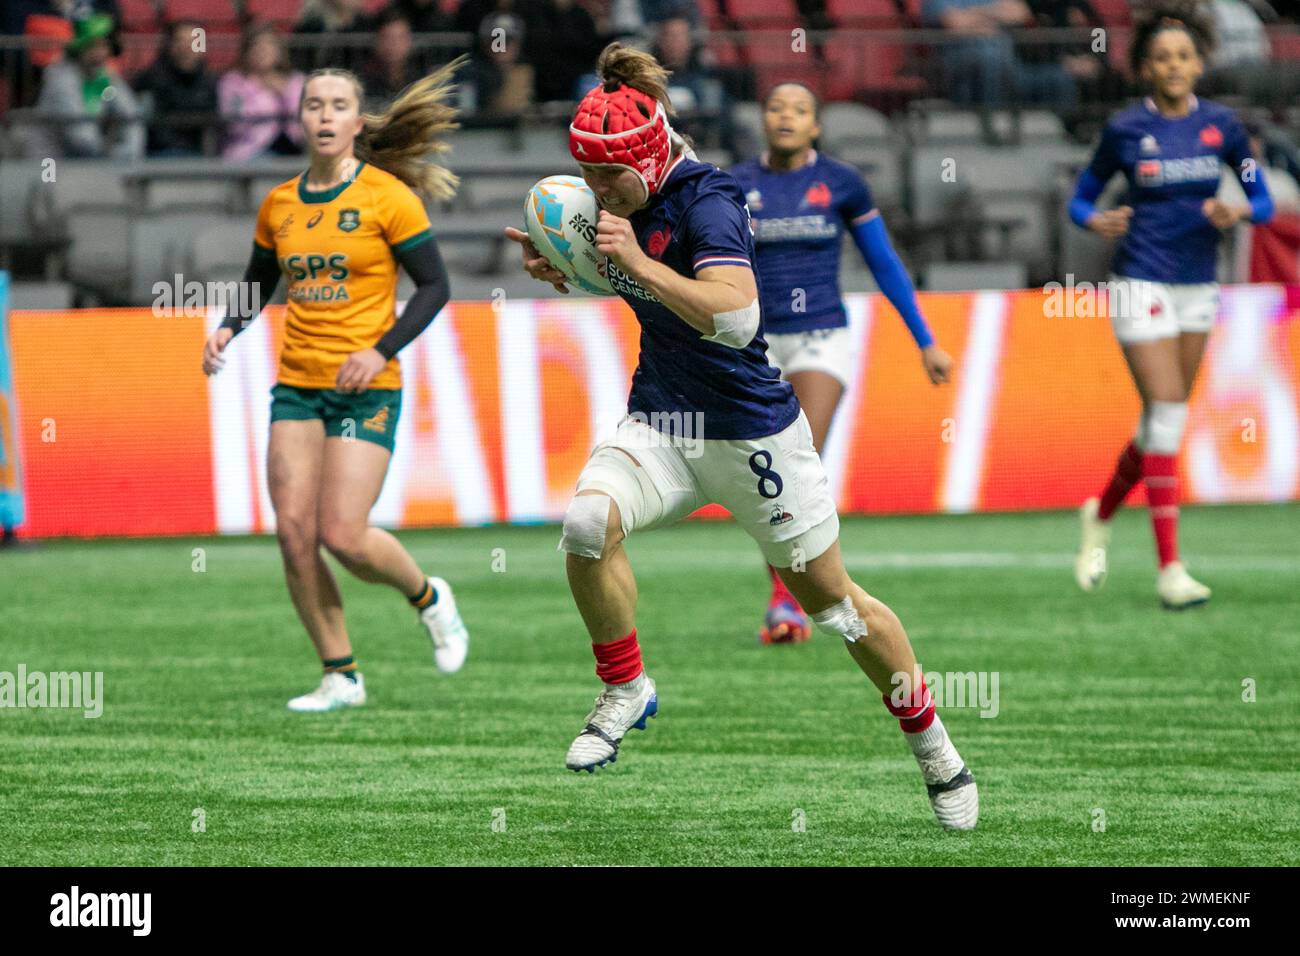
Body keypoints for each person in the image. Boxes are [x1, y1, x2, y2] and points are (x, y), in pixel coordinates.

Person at [503, 43, 979, 829]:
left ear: (649, 157)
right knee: (587, 524)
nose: (595, 192)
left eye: (605, 177)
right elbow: (623, 269)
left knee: (838, 610)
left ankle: (936, 748)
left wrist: (634, 266)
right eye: (585, 176)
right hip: (664, 419)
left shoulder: (710, 201)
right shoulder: (623, 196)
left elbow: (735, 316)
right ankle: (626, 688)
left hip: (754, 435)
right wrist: (570, 268)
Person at [201, 60, 471, 712]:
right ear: (299, 120)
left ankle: (430, 599)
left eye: (337, 104)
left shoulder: (387, 198)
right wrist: (228, 327)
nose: (324, 115)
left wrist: (379, 351)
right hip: (297, 384)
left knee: (343, 535)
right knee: (294, 534)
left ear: (357, 121)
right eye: (313, 104)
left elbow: (435, 287)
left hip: (366, 387)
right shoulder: (281, 204)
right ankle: (340, 674)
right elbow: (258, 279)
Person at [730, 82, 953, 644]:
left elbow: (883, 261)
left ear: (816, 126)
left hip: (820, 339)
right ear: (763, 118)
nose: (786, 116)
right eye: (776, 106)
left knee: (798, 454)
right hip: (753, 343)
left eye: (800, 109)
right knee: (768, 477)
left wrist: (924, 339)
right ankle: (788, 596)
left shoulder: (842, 183)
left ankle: (787, 603)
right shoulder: (735, 186)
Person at [1068, 3, 1273, 609]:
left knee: (1164, 422)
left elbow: (1262, 200)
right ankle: (1171, 570)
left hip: (1197, 284)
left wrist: (1238, 209)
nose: (1174, 65)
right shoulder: (1126, 130)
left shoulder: (1225, 128)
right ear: (1145, 68)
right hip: (1140, 280)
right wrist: (1096, 218)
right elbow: (1080, 199)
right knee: (1165, 407)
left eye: (1183, 55)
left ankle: (1099, 512)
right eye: (1161, 57)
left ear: (1200, 63)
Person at [32, 12, 142, 159]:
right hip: (49, 160)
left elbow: (131, 115)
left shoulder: (105, 77)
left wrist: (129, 152)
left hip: (85, 161)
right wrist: (112, 156)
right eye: (93, 46)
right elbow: (80, 137)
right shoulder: (61, 80)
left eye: (104, 46)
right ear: (79, 48)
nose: (99, 53)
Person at [133, 18, 219, 157]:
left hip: (201, 158)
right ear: (169, 45)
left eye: (195, 42)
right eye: (180, 40)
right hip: (160, 155)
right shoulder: (150, 80)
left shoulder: (212, 82)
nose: (187, 47)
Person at [219, 23, 304, 162]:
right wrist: (262, 90)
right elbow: (235, 125)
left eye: (269, 45)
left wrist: (284, 95)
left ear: (279, 51)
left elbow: (303, 124)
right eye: (256, 45)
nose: (263, 50)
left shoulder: (296, 81)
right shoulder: (233, 82)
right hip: (249, 152)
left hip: (294, 150)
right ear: (246, 51)